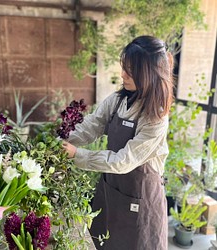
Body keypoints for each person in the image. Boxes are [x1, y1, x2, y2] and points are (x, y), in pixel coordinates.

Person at [62, 35, 174, 250]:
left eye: (131, 71)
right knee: (106, 242)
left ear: (149, 73)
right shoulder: (117, 101)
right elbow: (91, 126)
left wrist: (78, 155)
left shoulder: (155, 116)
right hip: (112, 191)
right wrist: (60, 141)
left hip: (141, 200)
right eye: (124, 67)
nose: (123, 75)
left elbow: (123, 161)